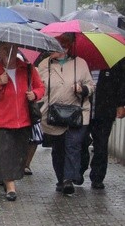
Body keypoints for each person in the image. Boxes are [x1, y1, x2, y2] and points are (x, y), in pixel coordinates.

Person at [0, 41, 45, 201]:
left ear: (17, 49)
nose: (9, 52)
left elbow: (41, 88)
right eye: (5, 49)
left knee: (18, 154)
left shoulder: (28, 68)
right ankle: (10, 188)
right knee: (6, 154)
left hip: (23, 121)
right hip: (1, 122)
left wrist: (34, 94)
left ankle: (6, 178)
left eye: (12, 48)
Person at [37, 33, 95, 195]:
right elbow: (38, 87)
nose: (52, 50)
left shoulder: (80, 63)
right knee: (59, 148)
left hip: (78, 112)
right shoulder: (44, 64)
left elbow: (91, 86)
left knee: (73, 145)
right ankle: (61, 178)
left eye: (58, 46)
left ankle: (68, 179)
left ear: (66, 48)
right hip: (53, 113)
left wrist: (82, 89)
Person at [79, 57, 124, 189]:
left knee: (101, 144)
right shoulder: (81, 61)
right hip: (83, 111)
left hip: (105, 110)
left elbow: (121, 81)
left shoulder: (114, 61)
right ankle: (80, 169)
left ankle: (97, 177)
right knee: (81, 142)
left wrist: (121, 104)